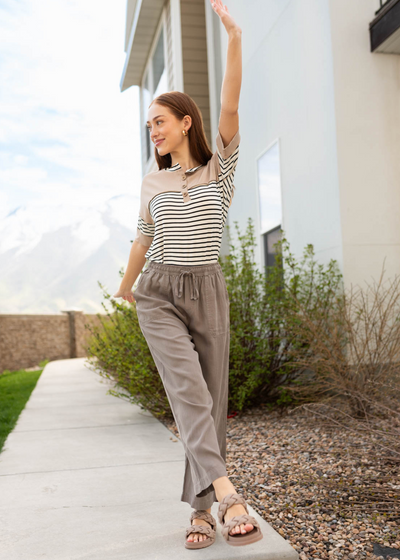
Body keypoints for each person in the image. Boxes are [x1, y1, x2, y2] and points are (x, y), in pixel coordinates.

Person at [113, 0, 263, 550]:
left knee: (209, 398)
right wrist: (128, 286)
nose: (152, 129)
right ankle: (227, 496)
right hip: (158, 292)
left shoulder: (219, 164)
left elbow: (230, 103)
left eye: (159, 121)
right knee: (188, 395)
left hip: (207, 288)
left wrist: (235, 38)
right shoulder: (151, 183)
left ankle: (199, 514)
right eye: (149, 123)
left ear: (185, 122)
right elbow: (143, 238)